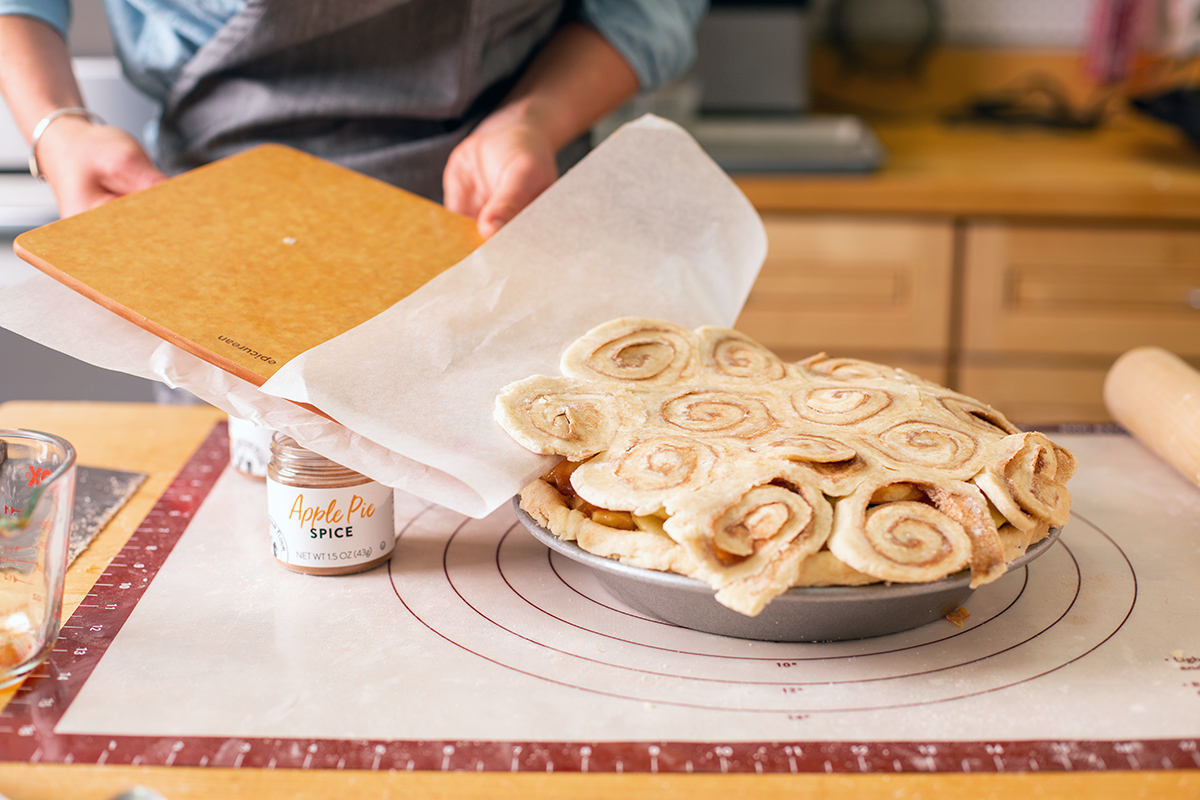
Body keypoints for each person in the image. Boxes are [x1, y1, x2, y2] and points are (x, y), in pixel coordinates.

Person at [0, 1, 706, 236]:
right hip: (215, 227)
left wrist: (536, 118)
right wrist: (53, 127)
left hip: (503, 213)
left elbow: (643, 9)